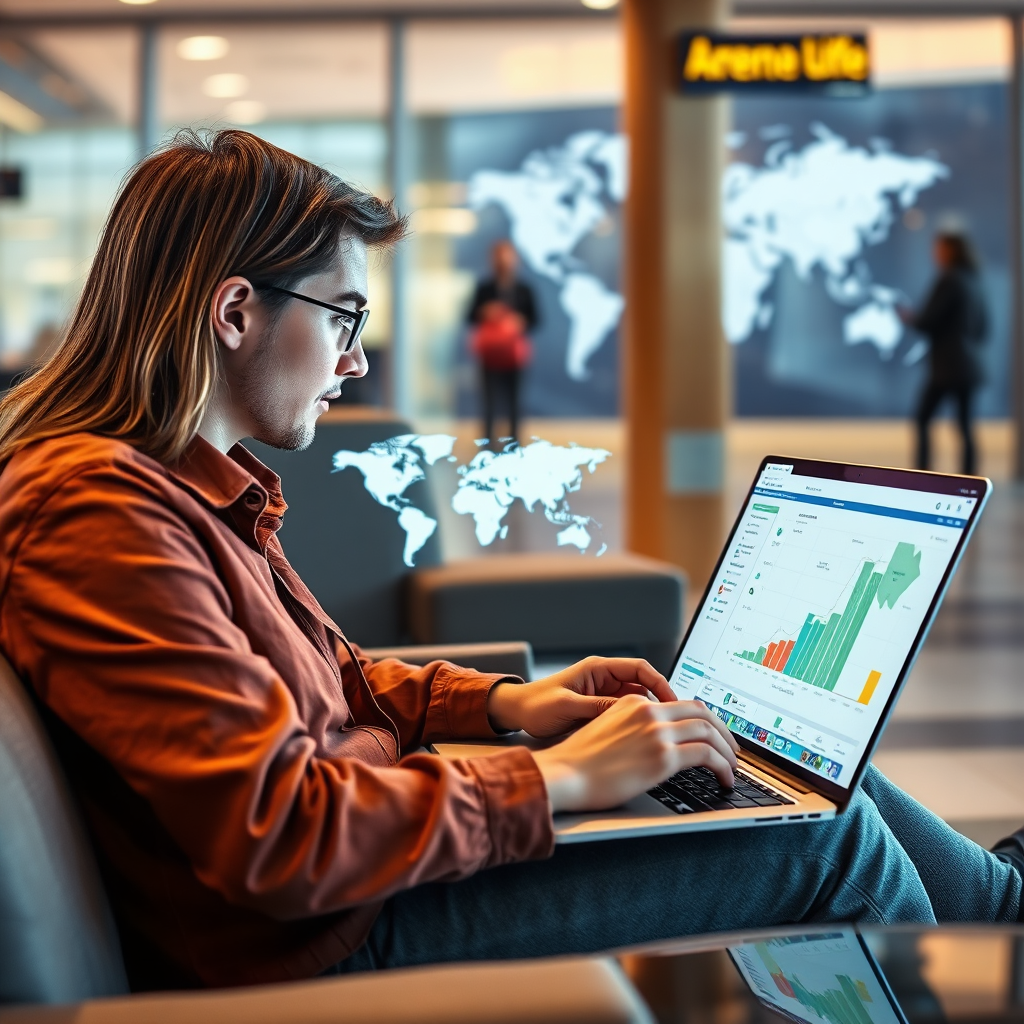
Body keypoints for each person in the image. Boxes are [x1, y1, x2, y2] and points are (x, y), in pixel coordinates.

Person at [0, 130, 1020, 993]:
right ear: (233, 315)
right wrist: (559, 778)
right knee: (820, 840)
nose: (356, 359)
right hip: (334, 934)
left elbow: (337, 684)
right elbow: (280, 834)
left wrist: (511, 709)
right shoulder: (97, 515)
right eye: (343, 316)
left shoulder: (177, 486)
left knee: (788, 767)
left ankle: (1003, 908)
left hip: (369, 877)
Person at [900, 232, 988, 476]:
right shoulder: (974, 280)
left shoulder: (949, 281)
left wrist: (909, 318)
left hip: (948, 366)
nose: (935, 253)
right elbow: (984, 327)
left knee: (923, 419)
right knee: (965, 426)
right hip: (970, 365)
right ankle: (970, 480)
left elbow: (928, 321)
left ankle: (921, 476)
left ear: (950, 251)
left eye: (938, 248)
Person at [466, 239, 537, 446]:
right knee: (488, 402)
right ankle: (488, 444)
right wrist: (486, 312)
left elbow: (535, 319)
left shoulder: (524, 290)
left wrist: (518, 321)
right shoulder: (484, 288)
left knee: (515, 402)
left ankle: (514, 443)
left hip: (514, 355)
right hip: (489, 354)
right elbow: (470, 317)